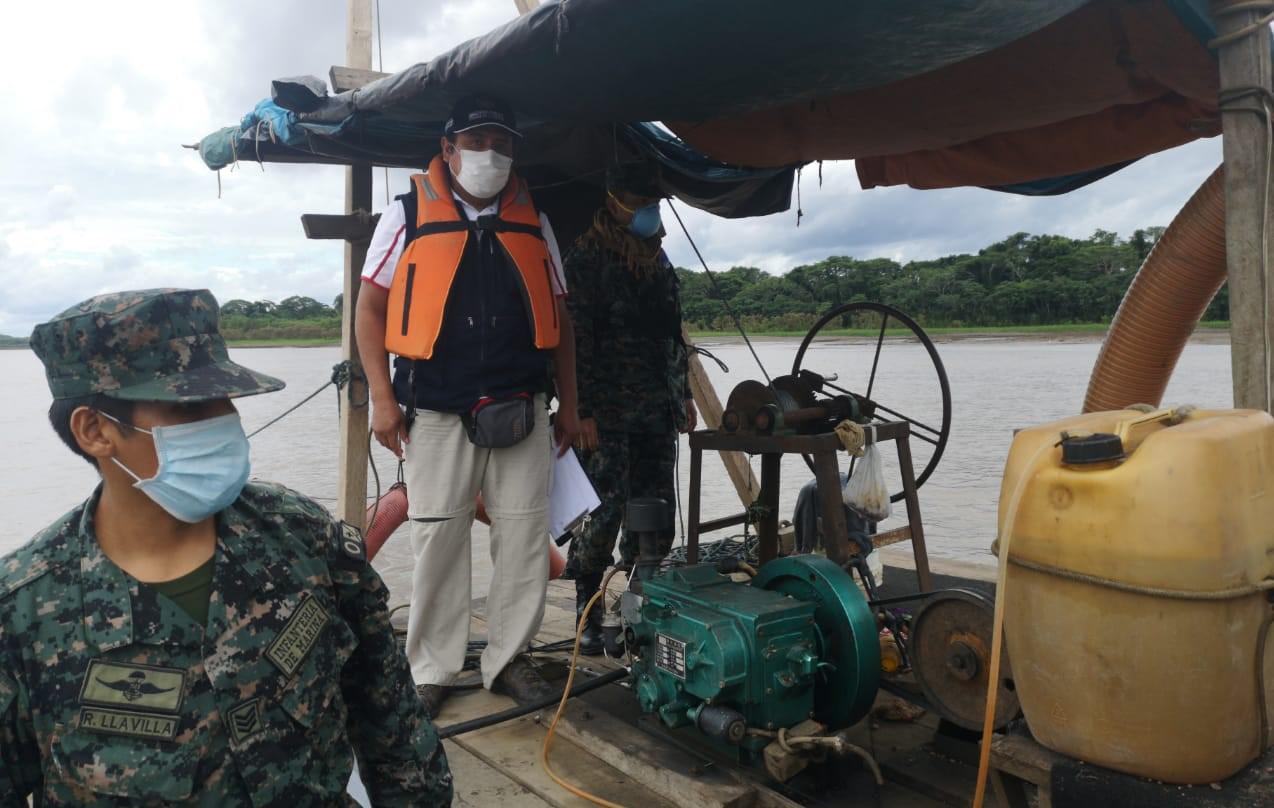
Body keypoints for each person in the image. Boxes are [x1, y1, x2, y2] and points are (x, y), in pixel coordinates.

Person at [0, 289, 452, 807]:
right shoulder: (22, 613)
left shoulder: (303, 538)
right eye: (189, 405)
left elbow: (392, 722)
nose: (225, 421)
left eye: (225, 399)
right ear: (96, 431)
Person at [356, 94, 579, 715]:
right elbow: (370, 308)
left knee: (524, 538)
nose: (490, 155)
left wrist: (571, 406)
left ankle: (508, 660)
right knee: (439, 537)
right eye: (476, 142)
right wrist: (381, 398)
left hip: (525, 408)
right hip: (436, 409)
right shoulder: (406, 214)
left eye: (502, 144)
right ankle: (432, 668)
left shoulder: (536, 220)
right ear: (448, 149)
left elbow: (562, 317)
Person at [563, 164, 696, 654]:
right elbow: (577, 340)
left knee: (657, 512)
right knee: (604, 513)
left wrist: (681, 395)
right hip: (608, 413)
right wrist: (584, 411)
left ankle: (642, 607)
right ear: (615, 204)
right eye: (639, 203)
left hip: (656, 411)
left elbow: (673, 336)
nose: (648, 212)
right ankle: (587, 611)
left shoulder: (658, 261)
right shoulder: (587, 257)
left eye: (653, 204)